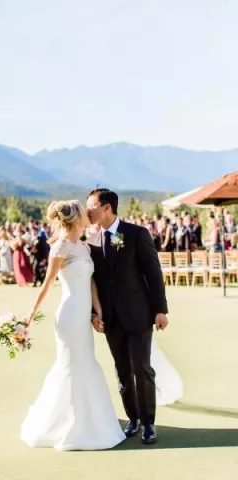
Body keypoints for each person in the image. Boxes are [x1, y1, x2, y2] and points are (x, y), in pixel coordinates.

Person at [21, 200, 126, 451]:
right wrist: (30, 315)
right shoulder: (60, 247)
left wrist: (97, 312)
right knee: (69, 365)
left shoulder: (83, 247)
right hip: (68, 316)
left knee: (86, 362)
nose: (88, 215)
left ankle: (89, 422)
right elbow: (46, 284)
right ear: (76, 219)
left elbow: (91, 284)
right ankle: (64, 425)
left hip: (83, 316)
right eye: (84, 213)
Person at [86, 188, 169, 444]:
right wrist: (93, 313)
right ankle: (132, 418)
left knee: (142, 369)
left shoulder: (136, 234)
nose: (87, 211)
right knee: (122, 371)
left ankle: (149, 423)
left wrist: (160, 310)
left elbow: (154, 274)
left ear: (107, 207)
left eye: (91, 206)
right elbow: (93, 282)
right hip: (110, 320)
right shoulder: (90, 241)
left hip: (139, 315)